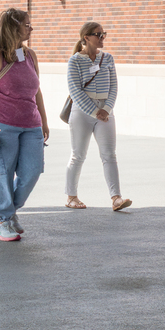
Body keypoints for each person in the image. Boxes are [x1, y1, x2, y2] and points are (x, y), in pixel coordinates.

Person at [0, 8, 50, 241]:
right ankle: (3, 221)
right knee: (2, 173)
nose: (30, 28)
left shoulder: (30, 55)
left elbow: (36, 90)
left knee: (32, 172)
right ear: (13, 26)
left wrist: (44, 121)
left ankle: (9, 211)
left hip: (31, 124)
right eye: (27, 24)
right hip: (0, 124)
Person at [64, 22, 132, 212]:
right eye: (98, 34)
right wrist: (95, 112)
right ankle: (71, 196)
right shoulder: (75, 61)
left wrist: (107, 109)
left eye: (104, 34)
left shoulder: (108, 58)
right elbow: (75, 90)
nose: (102, 38)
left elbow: (114, 86)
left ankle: (116, 198)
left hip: (106, 111)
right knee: (78, 155)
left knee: (109, 155)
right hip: (82, 112)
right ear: (86, 37)